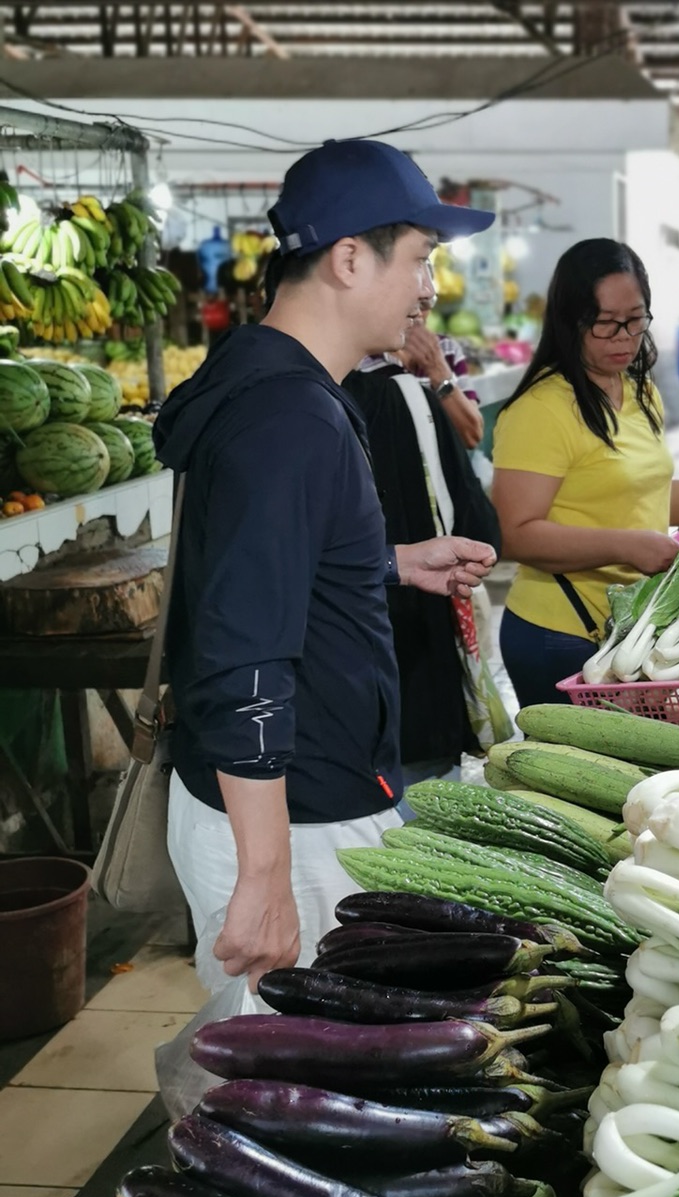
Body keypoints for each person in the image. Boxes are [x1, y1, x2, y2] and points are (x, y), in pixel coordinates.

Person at [153, 138, 500, 992]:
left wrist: (378, 564)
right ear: (349, 258)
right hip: (291, 816)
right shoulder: (290, 417)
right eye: (420, 259)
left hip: (275, 799)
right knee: (287, 1097)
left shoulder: (264, 377)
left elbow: (261, 563)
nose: (429, 288)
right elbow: (246, 656)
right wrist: (266, 877)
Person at [491, 238, 679, 708]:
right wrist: (628, 545)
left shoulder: (637, 393)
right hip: (562, 633)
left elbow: (646, 495)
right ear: (570, 320)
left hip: (628, 627)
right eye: (605, 323)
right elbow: (515, 535)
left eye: (636, 320)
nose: (624, 337)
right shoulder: (540, 410)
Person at [344, 347, 512, 793]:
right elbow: (473, 520)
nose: (423, 293)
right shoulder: (403, 392)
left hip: (350, 660)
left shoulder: (299, 394)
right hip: (416, 627)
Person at [359, 320, 483, 452]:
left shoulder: (446, 348)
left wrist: (439, 373)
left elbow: (472, 435)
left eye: (426, 303)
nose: (418, 314)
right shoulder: (360, 360)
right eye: (413, 303)